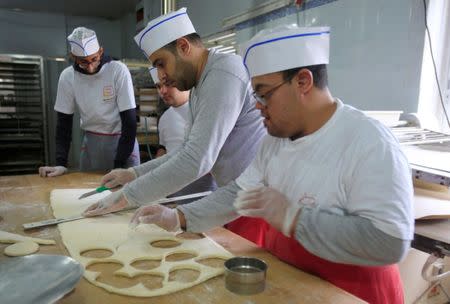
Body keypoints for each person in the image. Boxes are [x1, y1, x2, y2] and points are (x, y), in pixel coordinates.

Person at [125, 26, 414, 304]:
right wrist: (179, 218)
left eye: (264, 93)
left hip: (351, 291)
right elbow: (239, 191)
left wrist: (294, 218)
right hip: (293, 280)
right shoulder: (275, 141)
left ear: (303, 82)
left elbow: (389, 242)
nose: (257, 106)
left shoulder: (369, 142)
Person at [83, 8, 265, 215]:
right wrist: (132, 174)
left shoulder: (224, 73)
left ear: (183, 46)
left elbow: (197, 160)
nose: (162, 76)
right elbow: (186, 149)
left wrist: (128, 196)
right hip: (235, 199)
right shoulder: (199, 86)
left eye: (161, 64)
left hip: (256, 205)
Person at [39, 27, 140, 177]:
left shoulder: (118, 70)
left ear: (100, 51)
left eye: (94, 59)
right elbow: (63, 125)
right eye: (84, 62)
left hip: (122, 142)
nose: (91, 67)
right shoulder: (68, 77)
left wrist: (119, 164)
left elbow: (130, 122)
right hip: (92, 144)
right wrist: (61, 163)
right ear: (73, 57)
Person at [150, 67, 217, 203]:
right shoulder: (165, 118)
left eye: (168, 84)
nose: (162, 91)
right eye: (159, 86)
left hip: (203, 190)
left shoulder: (205, 112)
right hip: (173, 190)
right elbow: (164, 149)